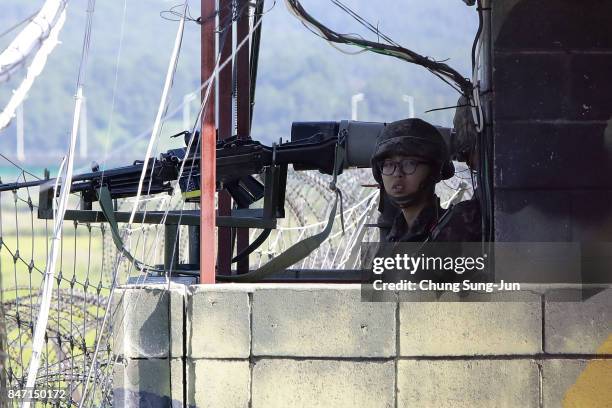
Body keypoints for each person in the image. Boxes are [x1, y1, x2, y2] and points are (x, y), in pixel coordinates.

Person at [371, 118, 454, 243]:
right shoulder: (395, 235)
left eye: (409, 163)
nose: (397, 173)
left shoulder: (455, 230)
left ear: (434, 170)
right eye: (388, 164)